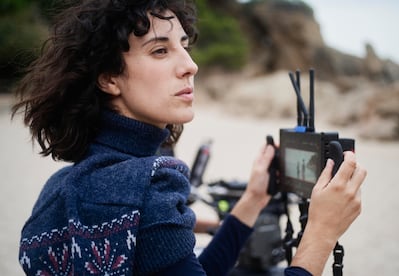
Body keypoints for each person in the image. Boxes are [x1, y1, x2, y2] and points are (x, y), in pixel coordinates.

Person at [12, 0, 367, 275]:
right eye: (160, 50)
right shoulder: (147, 188)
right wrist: (321, 233)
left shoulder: (63, 187)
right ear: (109, 78)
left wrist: (253, 200)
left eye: (184, 46)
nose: (190, 65)